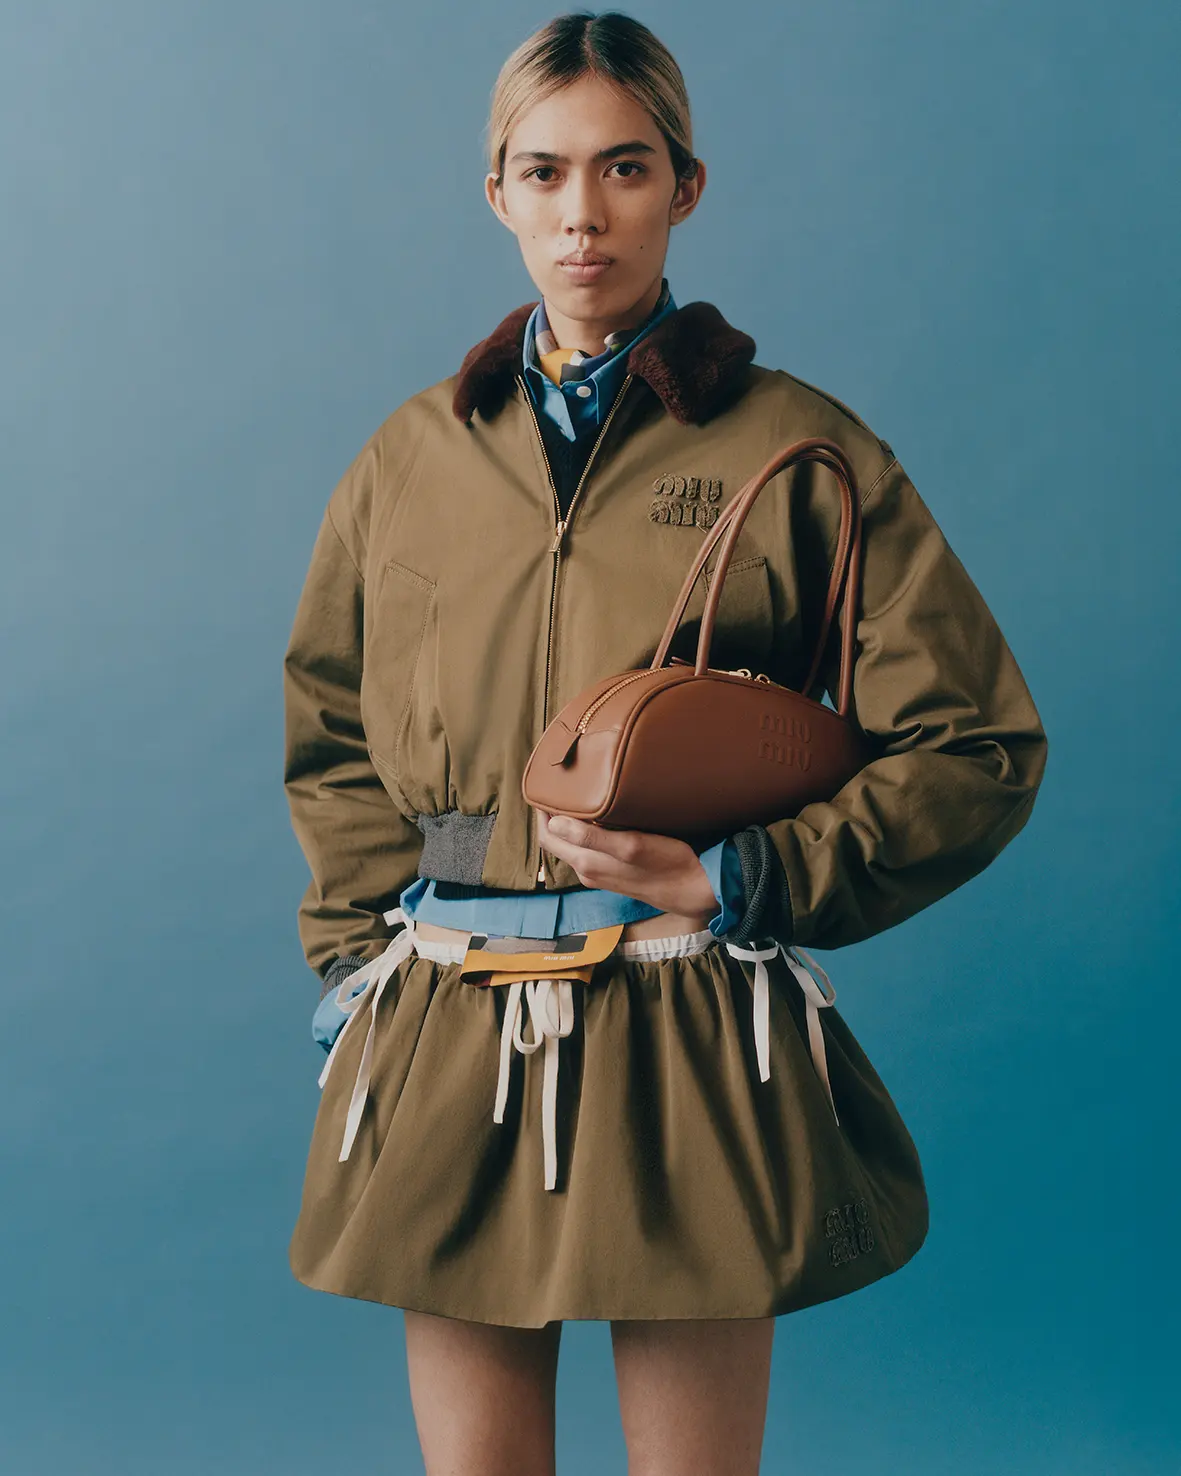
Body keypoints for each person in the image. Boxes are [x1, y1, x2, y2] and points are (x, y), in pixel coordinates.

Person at [282, 12, 1049, 1475]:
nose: (583, 213)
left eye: (624, 168)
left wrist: (743, 878)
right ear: (496, 193)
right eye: (544, 171)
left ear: (685, 187)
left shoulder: (797, 448)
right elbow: (330, 728)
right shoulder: (409, 459)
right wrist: (358, 965)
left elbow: (978, 746)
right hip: (450, 1019)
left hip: (686, 1020)